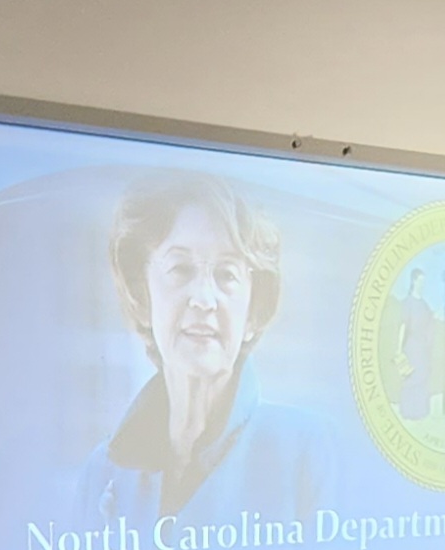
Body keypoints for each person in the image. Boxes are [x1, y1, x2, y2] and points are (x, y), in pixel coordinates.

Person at [77, 172, 332, 527]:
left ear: (253, 309)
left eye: (226, 275)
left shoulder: (309, 453)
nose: (203, 299)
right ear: (142, 292)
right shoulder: (101, 473)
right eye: (180, 269)